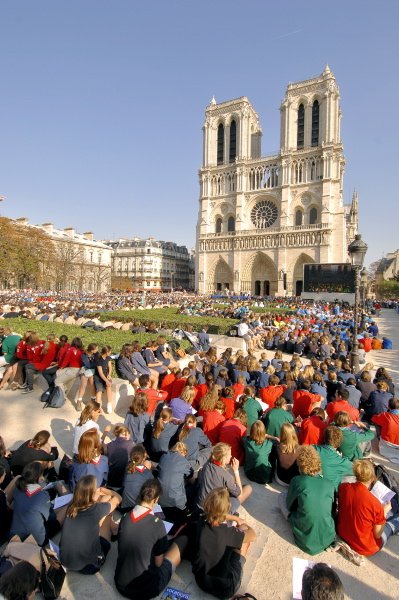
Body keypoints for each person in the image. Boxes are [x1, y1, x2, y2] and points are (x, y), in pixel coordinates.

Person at [115, 478, 186, 600]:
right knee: (182, 541)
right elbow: (158, 563)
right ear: (156, 500)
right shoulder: (157, 524)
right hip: (144, 589)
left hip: (120, 583)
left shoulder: (125, 517)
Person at [193, 487, 256, 599]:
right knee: (244, 541)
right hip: (225, 589)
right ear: (228, 507)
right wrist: (244, 524)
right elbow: (253, 535)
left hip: (201, 581)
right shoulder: (229, 533)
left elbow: (214, 513)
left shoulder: (201, 520)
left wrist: (234, 519)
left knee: (233, 541)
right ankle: (239, 560)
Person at [337, 459, 399, 560]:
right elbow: (378, 535)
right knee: (394, 522)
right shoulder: (375, 504)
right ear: (372, 478)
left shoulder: (344, 487)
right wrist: (384, 512)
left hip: (344, 533)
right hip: (366, 546)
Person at [60, 474, 121, 573]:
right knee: (106, 534)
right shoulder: (97, 510)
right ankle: (114, 529)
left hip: (65, 561)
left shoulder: (72, 505)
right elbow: (118, 498)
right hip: (88, 567)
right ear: (92, 493)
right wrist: (103, 490)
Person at [282, 446, 335, 555]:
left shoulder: (297, 481)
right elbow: (332, 510)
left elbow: (289, 505)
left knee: (281, 497)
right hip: (328, 536)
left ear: (300, 464)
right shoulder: (329, 484)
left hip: (304, 539)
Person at [10, 461, 65, 545]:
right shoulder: (42, 494)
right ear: (39, 477)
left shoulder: (17, 488)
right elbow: (51, 519)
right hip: (36, 540)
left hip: (15, 534)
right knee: (66, 508)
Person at [197, 443, 252, 515]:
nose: (231, 456)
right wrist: (236, 471)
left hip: (201, 505)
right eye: (229, 455)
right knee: (248, 488)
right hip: (215, 511)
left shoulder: (206, 465)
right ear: (224, 458)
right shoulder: (226, 476)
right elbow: (239, 494)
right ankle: (227, 515)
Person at [157, 442, 193, 523]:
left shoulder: (163, 456)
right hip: (176, 503)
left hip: (160, 499)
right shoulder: (183, 460)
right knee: (190, 486)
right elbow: (190, 474)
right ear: (183, 452)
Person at [313, 426, 353, 491]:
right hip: (330, 494)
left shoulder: (312, 449)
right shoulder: (341, 461)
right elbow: (358, 470)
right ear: (340, 443)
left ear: (324, 438)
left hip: (311, 488)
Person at [121, 444, 153, 510]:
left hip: (124, 507)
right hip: (136, 509)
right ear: (144, 457)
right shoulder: (147, 473)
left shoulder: (127, 467)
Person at [372, 397, 399, 463]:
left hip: (386, 443)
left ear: (388, 406)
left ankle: (379, 436)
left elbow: (374, 419)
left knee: (377, 422)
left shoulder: (385, 415)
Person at [76, 342, 98, 411]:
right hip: (85, 370)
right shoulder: (84, 355)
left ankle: (93, 400)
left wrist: (95, 363)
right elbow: (88, 365)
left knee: (92, 385)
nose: (97, 350)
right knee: (83, 385)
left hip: (92, 371)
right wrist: (96, 363)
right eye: (96, 349)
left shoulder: (95, 354)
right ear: (92, 350)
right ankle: (79, 401)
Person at [94, 345, 114, 414]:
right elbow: (100, 373)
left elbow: (110, 368)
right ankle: (98, 407)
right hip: (98, 377)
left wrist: (109, 375)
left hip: (105, 375)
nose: (111, 352)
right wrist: (106, 380)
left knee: (109, 386)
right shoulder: (99, 360)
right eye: (110, 351)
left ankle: (109, 404)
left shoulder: (108, 358)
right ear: (106, 352)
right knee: (99, 390)